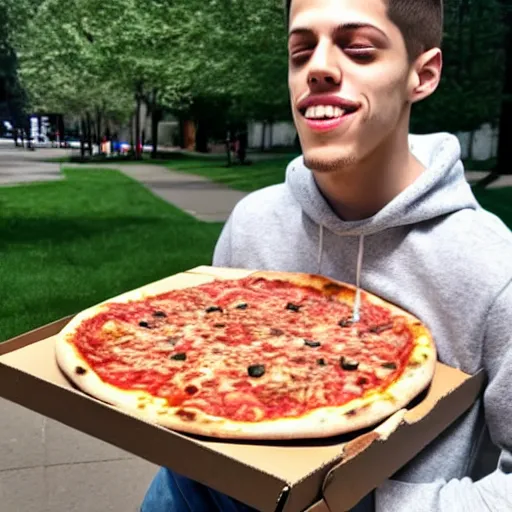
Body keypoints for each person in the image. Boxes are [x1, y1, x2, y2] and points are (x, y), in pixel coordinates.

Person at [141, 0, 512, 510]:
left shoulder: (494, 272)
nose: (317, 68)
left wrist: (374, 506)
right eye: (300, 52)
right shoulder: (251, 222)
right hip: (192, 489)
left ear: (421, 75)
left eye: (358, 49)